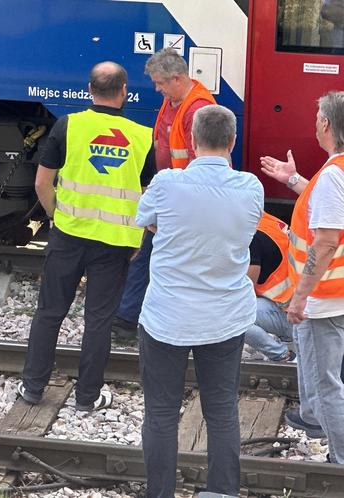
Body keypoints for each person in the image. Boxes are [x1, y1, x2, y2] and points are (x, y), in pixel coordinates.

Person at [137, 105, 263, 495]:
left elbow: (147, 220)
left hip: (166, 317)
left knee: (160, 414)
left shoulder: (166, 183)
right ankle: (221, 491)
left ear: (191, 141)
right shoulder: (251, 188)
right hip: (224, 316)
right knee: (222, 410)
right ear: (233, 141)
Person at [17, 61, 155, 411]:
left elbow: (41, 183)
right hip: (115, 244)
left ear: (89, 90)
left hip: (69, 235)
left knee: (50, 312)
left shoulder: (68, 126)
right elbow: (147, 194)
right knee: (98, 320)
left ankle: (33, 388)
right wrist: (137, 236)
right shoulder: (142, 137)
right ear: (125, 91)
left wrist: (56, 217)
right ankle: (87, 396)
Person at [260, 91, 344, 463]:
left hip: (322, 300)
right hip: (335, 294)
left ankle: (341, 458)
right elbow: (329, 209)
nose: (314, 124)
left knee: (326, 385)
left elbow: (325, 242)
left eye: (316, 118)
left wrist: (299, 298)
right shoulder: (335, 173)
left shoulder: (332, 177)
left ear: (326, 124)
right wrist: (294, 179)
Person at [112, 47, 216, 338]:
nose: (156, 89)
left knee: (149, 255)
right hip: (171, 192)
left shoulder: (197, 110)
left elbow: (201, 163)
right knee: (149, 254)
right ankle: (129, 318)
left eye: (160, 83)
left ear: (178, 78)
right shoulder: (176, 101)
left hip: (181, 196)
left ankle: (127, 319)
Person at [244, 211, 296, 362]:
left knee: (230, 316)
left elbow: (247, 288)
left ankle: (281, 354)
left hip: (291, 314)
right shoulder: (270, 222)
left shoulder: (252, 236)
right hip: (302, 308)